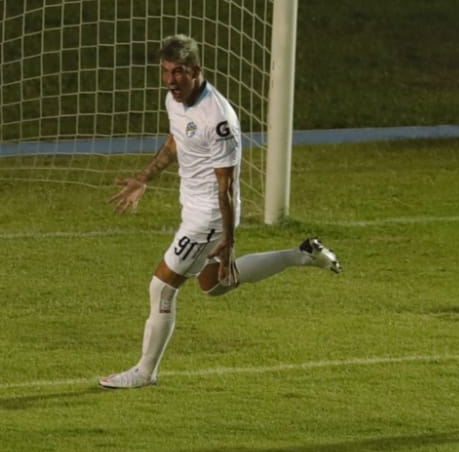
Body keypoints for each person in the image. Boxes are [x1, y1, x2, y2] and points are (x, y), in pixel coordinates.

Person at [99, 34, 342, 389]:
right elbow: (175, 140)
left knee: (162, 288)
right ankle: (301, 255)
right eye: (165, 71)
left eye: (178, 72)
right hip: (195, 211)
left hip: (209, 217)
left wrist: (227, 241)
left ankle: (145, 371)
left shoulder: (219, 119)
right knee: (212, 285)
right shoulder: (175, 100)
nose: (170, 81)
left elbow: (226, 187)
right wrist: (143, 178)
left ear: (196, 70)